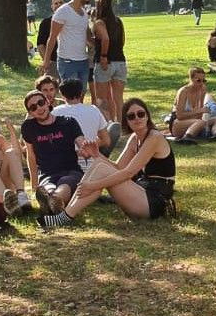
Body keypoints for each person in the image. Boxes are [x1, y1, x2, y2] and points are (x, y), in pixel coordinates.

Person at [36, 98, 175, 229]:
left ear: (147, 116)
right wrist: (96, 154)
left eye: (141, 114)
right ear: (126, 121)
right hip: (141, 193)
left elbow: (128, 173)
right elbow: (118, 167)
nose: (137, 118)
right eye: (131, 116)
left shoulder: (154, 137)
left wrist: (93, 185)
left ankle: (64, 216)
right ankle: (64, 215)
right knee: (98, 165)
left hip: (154, 202)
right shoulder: (135, 139)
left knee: (100, 170)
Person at [21, 89, 90, 215]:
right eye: (33, 107)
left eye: (41, 103)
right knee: (48, 187)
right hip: (47, 174)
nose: (39, 108)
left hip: (71, 170)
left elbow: (82, 144)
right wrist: (34, 185)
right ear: (30, 112)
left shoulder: (68, 122)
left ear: (47, 102)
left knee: (66, 183)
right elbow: (31, 156)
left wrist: (85, 150)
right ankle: (49, 199)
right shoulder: (28, 127)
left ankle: (54, 201)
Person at [54, 78, 120, 167]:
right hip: (90, 159)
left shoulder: (55, 112)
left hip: (63, 160)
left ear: (62, 94)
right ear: (81, 93)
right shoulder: (93, 110)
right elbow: (106, 140)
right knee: (114, 127)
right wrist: (89, 145)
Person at [43, 0, 91, 86]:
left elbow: (87, 37)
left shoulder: (84, 13)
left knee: (81, 94)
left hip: (83, 60)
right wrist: (46, 61)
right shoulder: (63, 11)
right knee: (70, 94)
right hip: (67, 61)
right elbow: (52, 37)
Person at [92, 0, 127, 123]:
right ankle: (121, 124)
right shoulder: (118, 21)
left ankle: (107, 124)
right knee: (118, 98)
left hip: (105, 62)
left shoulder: (99, 22)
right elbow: (123, 40)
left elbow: (105, 38)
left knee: (101, 98)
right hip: (120, 61)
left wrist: (104, 56)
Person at [170, 67, 216, 141]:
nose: (201, 83)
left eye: (203, 80)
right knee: (200, 122)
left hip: (196, 122)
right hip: (177, 124)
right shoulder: (183, 92)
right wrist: (198, 111)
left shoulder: (202, 89)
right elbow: (179, 116)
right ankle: (187, 137)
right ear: (191, 79)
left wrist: (199, 113)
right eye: (198, 80)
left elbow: (199, 116)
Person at [36, 0, 64, 80]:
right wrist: (46, 61)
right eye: (56, 3)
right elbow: (40, 45)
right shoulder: (45, 23)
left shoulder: (70, 22)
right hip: (53, 62)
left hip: (69, 61)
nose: (58, 5)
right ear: (52, 6)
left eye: (61, 3)